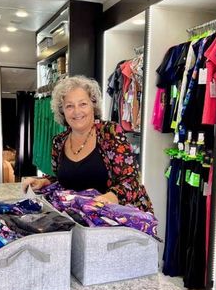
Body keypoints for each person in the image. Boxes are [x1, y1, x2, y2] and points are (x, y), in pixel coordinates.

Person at [22, 75, 153, 213]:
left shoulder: (110, 133)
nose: (77, 111)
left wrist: (109, 198)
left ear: (93, 105)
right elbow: (64, 179)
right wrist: (44, 182)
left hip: (118, 221)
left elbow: (131, 181)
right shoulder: (59, 142)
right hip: (82, 222)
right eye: (69, 106)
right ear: (62, 111)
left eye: (83, 104)